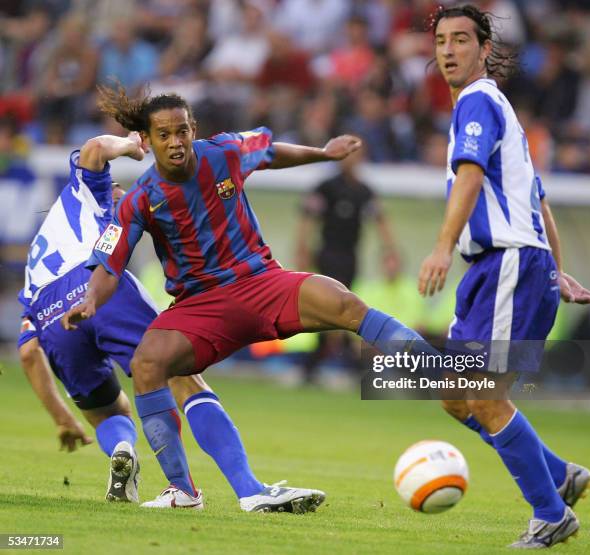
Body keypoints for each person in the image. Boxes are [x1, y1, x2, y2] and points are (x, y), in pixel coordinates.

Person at [62, 83, 436, 510]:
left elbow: (272, 152)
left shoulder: (224, 152)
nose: (175, 141)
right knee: (148, 363)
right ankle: (182, 490)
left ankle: (439, 370)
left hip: (261, 283)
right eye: (163, 135)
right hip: (201, 307)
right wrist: (91, 301)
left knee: (343, 302)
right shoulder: (140, 199)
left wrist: (324, 153)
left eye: (181, 131)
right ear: (146, 141)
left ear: (193, 129)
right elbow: (110, 264)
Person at [18, 131, 315, 513]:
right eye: (120, 192)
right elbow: (94, 148)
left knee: (107, 411)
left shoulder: (38, 253)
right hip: (93, 283)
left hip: (47, 312)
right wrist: (130, 144)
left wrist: (62, 419)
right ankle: (249, 489)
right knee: (179, 375)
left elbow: (28, 354)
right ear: (111, 191)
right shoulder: (90, 193)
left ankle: (124, 449)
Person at [417, 5, 590, 549]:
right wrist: (558, 270)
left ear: (484, 49)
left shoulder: (477, 101)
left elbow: (472, 175)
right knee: (456, 396)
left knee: (485, 397)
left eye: (461, 40)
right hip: (508, 268)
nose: (448, 50)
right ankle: (559, 475)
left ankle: (551, 513)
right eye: (441, 40)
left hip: (507, 265)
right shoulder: (497, 110)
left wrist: (442, 247)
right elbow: (538, 200)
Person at [296, 146, 399, 382]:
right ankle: (345, 360)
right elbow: (307, 218)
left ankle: (326, 359)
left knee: (339, 308)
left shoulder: (364, 191)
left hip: (350, 256)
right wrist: (301, 248)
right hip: (327, 254)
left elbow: (380, 220)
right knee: (332, 306)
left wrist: (390, 251)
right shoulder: (327, 187)